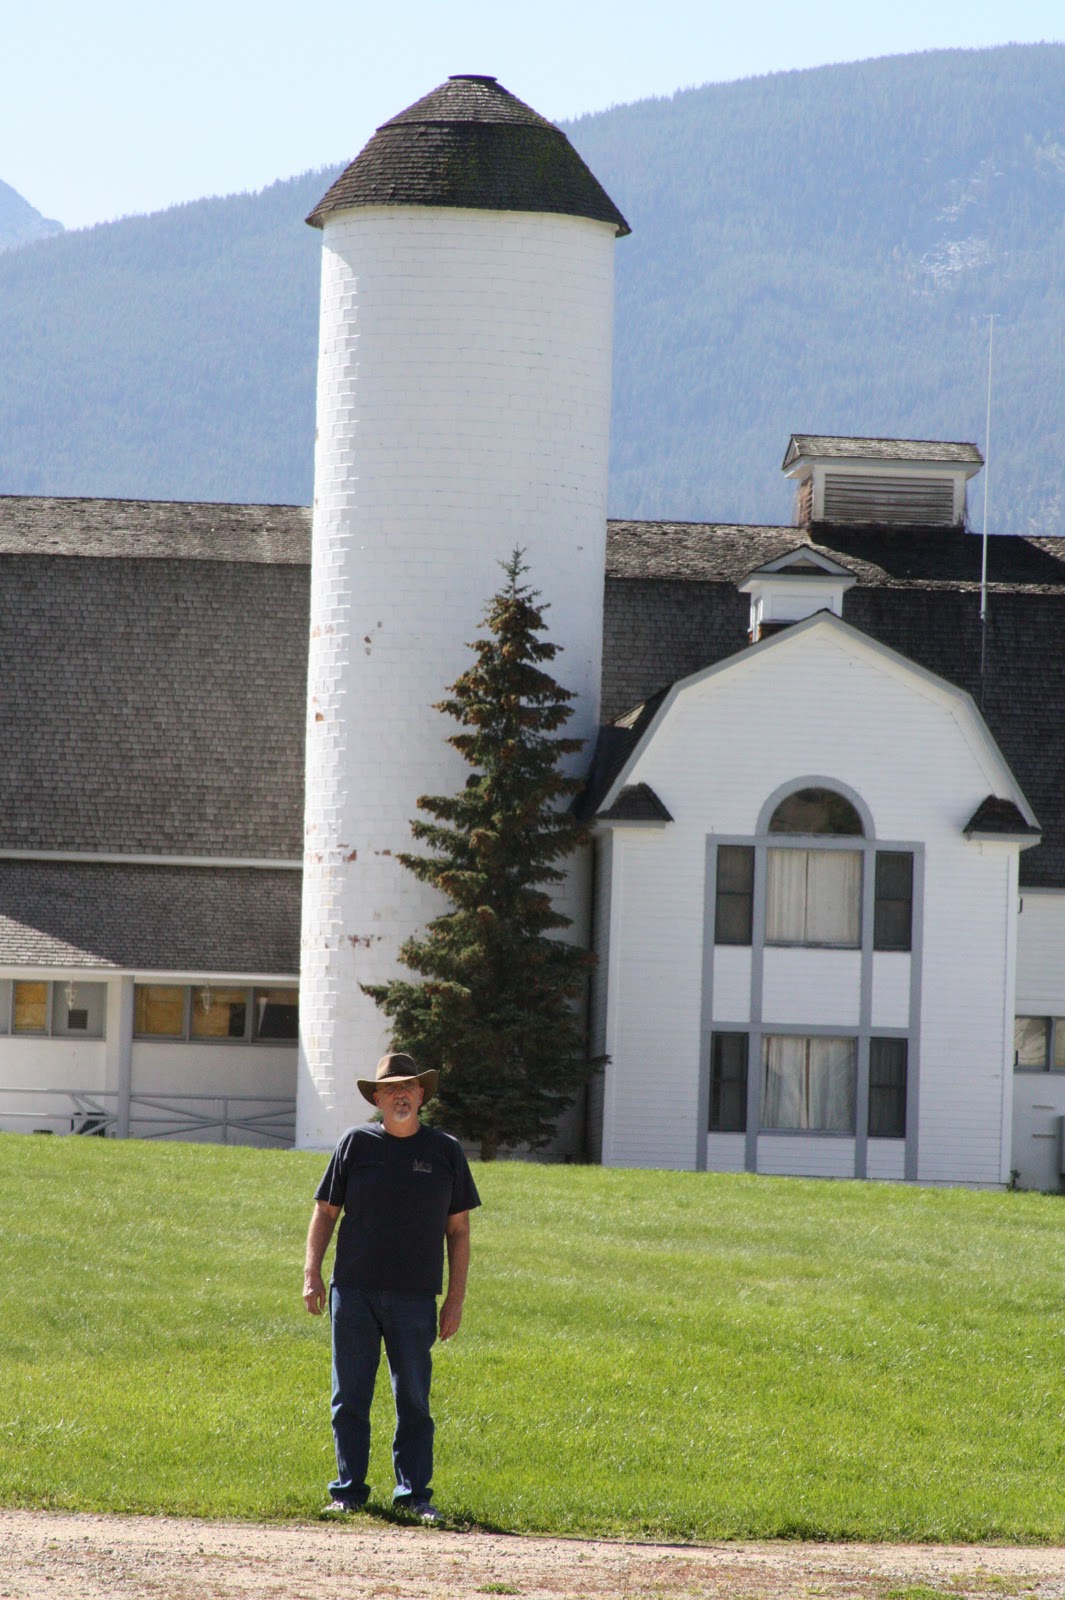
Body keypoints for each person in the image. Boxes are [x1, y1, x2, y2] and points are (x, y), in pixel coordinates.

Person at [303, 1052, 480, 1522]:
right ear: (377, 1098)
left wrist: (456, 1300)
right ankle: (347, 1492)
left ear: (422, 1095)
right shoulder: (354, 1144)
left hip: (417, 1296)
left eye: (410, 1086)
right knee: (350, 1397)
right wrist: (311, 1273)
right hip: (354, 1291)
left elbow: (458, 1232)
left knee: (414, 1399)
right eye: (390, 1088)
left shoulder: (445, 1151)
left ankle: (415, 1495)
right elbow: (325, 1212)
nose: (401, 1094)